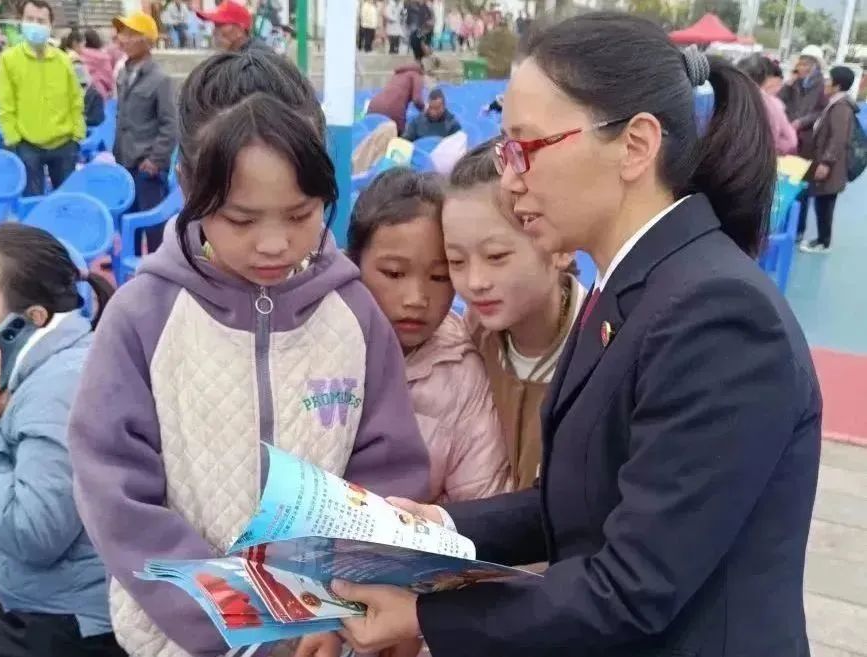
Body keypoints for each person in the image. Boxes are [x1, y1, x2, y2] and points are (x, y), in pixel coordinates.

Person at [326, 14, 821, 657]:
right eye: (504, 151)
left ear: (635, 145)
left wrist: (426, 616)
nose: (511, 178)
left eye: (525, 147)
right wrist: (437, 524)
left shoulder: (718, 316)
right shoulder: (633, 288)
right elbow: (581, 503)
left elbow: (634, 586)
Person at [68, 50, 430, 657]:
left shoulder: (353, 313)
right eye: (241, 219)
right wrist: (253, 618)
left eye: (300, 214)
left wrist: (330, 604)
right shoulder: (143, 316)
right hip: (179, 644)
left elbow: (387, 475)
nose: (273, 244)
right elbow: (118, 499)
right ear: (190, 187)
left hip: (325, 639)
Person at [0, 223, 119, 657]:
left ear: (30, 320)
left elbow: (32, 534)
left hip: (68, 624)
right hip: (33, 596)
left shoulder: (61, 386)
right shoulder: (44, 368)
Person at [349, 167, 509, 502]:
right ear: (353, 264)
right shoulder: (315, 343)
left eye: (439, 277)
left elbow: (481, 506)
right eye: (394, 273)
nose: (416, 299)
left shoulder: (464, 375)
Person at [443, 143, 585, 491]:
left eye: (496, 256)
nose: (475, 282)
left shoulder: (601, 348)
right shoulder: (468, 341)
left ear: (561, 249)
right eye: (456, 261)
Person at [0, 0, 85, 196]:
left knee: (66, 200)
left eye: (41, 21)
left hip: (65, 144)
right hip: (27, 145)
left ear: (51, 25)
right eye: (30, 19)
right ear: (21, 21)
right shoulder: (8, 60)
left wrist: (77, 135)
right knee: (31, 201)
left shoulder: (63, 60)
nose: (35, 24)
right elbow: (5, 105)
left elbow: (75, 100)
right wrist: (14, 140)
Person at [111, 11, 176, 254]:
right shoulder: (123, 74)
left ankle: (158, 266)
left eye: (131, 34)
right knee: (128, 220)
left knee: (153, 224)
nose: (123, 39)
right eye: (122, 33)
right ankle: (132, 263)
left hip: (147, 167)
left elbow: (170, 124)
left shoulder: (160, 79)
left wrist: (156, 160)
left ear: (147, 40)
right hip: (124, 161)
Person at [798, 66, 858, 254]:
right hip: (829, 163)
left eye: (829, 80)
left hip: (831, 166)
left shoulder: (841, 107)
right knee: (823, 201)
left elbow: (838, 138)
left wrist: (826, 162)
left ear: (837, 85)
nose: (825, 83)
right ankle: (822, 239)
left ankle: (823, 242)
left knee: (825, 203)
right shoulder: (836, 103)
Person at [738, 54, 796, 155]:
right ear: (766, 78)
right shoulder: (772, 104)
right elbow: (791, 141)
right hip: (761, 158)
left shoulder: (729, 99)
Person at [779, 45, 826, 152]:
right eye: (799, 64)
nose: (800, 68)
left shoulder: (822, 85)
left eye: (805, 65)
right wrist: (788, 85)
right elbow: (778, 100)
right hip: (788, 132)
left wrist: (802, 122)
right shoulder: (794, 82)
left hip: (807, 135)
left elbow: (821, 111)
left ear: (815, 66)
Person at [367, 62, 425, 135]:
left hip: (373, 106)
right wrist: (425, 110)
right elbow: (417, 99)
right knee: (397, 137)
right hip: (392, 109)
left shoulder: (397, 74)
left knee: (373, 137)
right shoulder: (416, 75)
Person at [197, 0, 270, 53]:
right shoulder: (229, 60)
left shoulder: (255, 62)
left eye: (220, 24)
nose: (214, 31)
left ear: (240, 30)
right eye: (215, 25)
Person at [79, 28, 116, 99]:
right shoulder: (103, 58)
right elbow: (109, 78)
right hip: (100, 92)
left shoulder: (78, 56)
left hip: (81, 92)